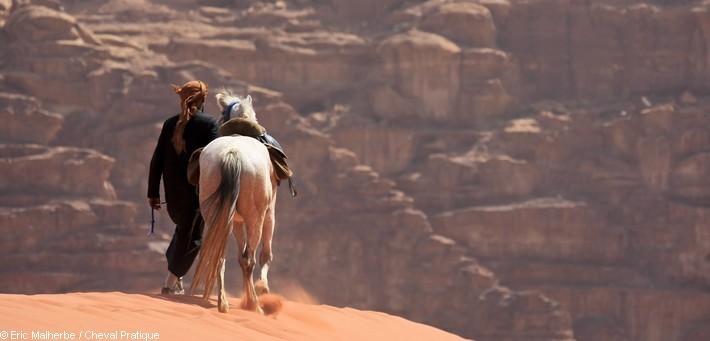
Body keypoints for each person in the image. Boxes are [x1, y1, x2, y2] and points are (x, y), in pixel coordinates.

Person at [147, 80, 219, 295]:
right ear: (204, 99)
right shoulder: (208, 124)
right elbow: (216, 158)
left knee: (184, 232)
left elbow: (156, 159)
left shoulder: (170, 124)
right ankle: (170, 283)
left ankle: (172, 280)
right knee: (194, 239)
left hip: (173, 196)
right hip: (198, 195)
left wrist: (153, 193)